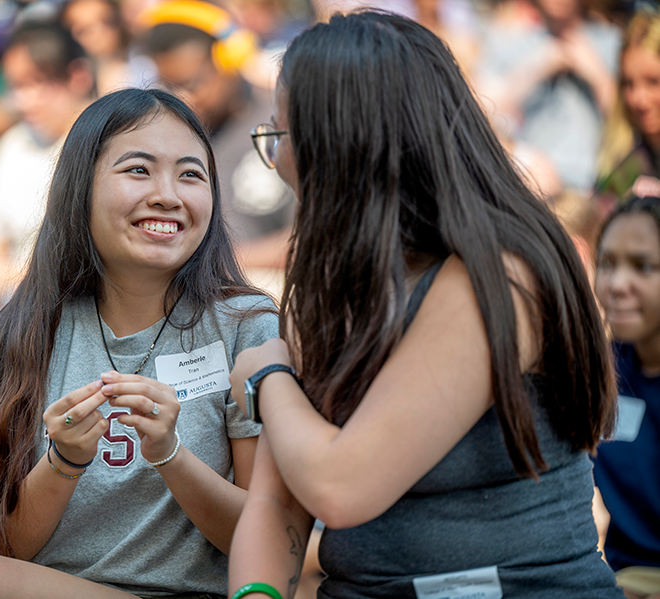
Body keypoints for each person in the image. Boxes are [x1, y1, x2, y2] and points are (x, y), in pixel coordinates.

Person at [226, 11, 622, 599]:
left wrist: (269, 376)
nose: (277, 160)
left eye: (280, 137)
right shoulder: (334, 283)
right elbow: (278, 505)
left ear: (342, 147)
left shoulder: (499, 276)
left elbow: (341, 485)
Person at [0, 87, 277, 599]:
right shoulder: (25, 325)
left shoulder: (246, 325)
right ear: (81, 188)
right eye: (138, 170)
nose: (168, 194)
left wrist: (170, 454)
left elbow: (267, 540)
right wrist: (64, 462)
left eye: (191, 174)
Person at [140, 0, 296, 280]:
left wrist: (212, 263)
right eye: (169, 86)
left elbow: (311, 242)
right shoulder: (171, 135)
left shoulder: (284, 123)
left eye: (192, 83)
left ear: (230, 59)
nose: (183, 99)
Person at [0, 22, 96, 312]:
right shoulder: (14, 143)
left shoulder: (103, 147)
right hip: (5, 308)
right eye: (16, 86)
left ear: (78, 77)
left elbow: (88, 268)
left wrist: (6, 281)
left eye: (37, 82)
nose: (23, 100)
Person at [476, 0, 619, 192]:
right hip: (533, 184)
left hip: (595, 187)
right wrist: (538, 67)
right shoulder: (509, 42)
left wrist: (596, 74)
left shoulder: (613, 42)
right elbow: (481, 113)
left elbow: (629, 121)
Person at [593, 195, 660, 599]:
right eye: (607, 263)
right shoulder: (601, 370)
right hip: (617, 577)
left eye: (643, 266)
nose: (617, 285)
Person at [596, 13, 660, 215]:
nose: (639, 99)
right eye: (628, 84)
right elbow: (593, 218)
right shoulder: (626, 161)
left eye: (653, 82)